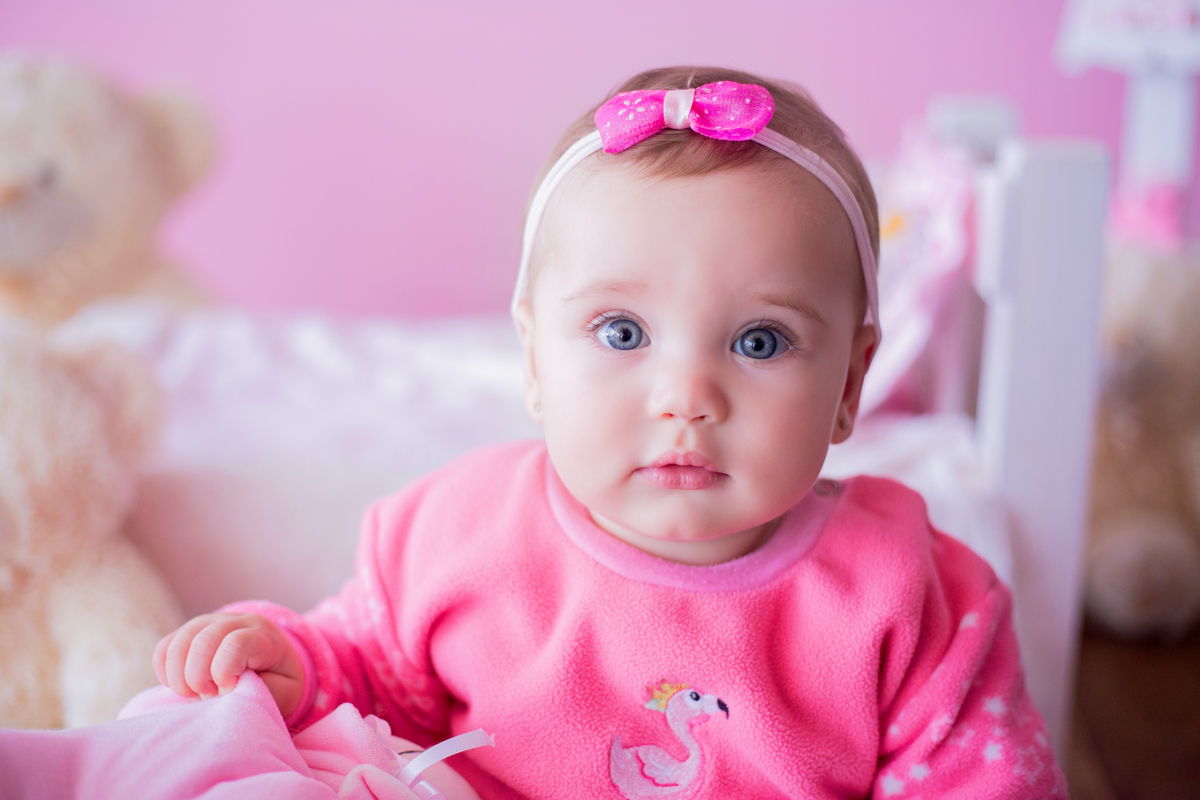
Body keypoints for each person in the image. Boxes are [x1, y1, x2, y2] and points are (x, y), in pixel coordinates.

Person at [153, 66, 1066, 798]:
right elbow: (367, 671)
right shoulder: (454, 537)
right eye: (622, 333)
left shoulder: (913, 598)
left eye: (760, 341)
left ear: (850, 384)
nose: (687, 396)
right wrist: (283, 660)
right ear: (535, 359)